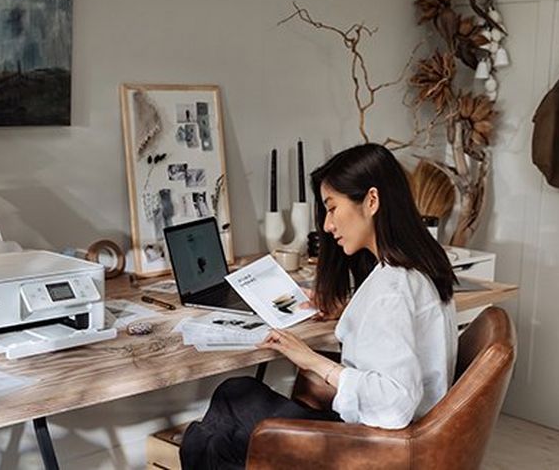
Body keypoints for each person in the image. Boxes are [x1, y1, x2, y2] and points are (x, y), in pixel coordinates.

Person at [180, 143, 458, 469]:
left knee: (215, 428)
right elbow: (396, 330)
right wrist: (350, 307)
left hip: (378, 448)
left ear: (371, 200)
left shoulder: (391, 290)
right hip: (406, 439)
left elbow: (395, 406)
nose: (326, 225)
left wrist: (312, 361)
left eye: (332, 208)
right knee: (232, 397)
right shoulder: (418, 264)